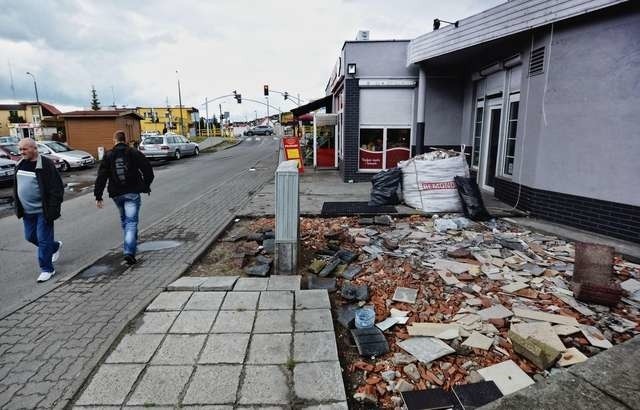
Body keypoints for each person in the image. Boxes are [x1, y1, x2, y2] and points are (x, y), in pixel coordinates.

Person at [94, 131, 154, 265]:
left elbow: (101, 176)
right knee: (131, 222)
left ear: (114, 140)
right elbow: (147, 169)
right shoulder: (133, 152)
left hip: (117, 194)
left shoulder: (108, 155)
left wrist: (98, 196)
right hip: (132, 193)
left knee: (126, 222)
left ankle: (131, 247)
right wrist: (146, 185)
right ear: (125, 139)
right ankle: (129, 251)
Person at [14, 138, 64, 282]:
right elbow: (17, 186)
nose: (21, 152)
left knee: (43, 239)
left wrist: (53, 210)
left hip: (43, 211)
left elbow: (56, 189)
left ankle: (47, 269)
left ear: (34, 149)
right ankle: (54, 246)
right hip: (27, 212)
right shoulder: (20, 163)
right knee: (30, 237)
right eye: (20, 149)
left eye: (24, 149)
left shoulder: (46, 164)